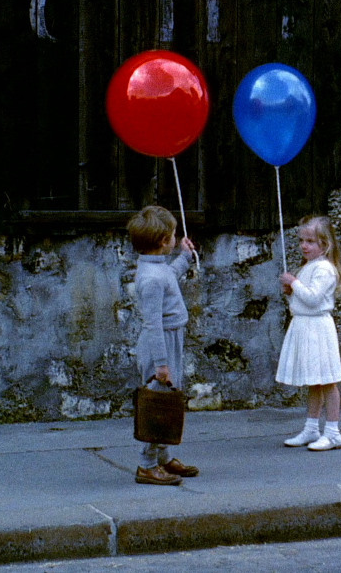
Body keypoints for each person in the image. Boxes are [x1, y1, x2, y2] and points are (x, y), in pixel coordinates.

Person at [127, 205, 200, 485]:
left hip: (171, 339)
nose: (175, 237)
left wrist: (185, 256)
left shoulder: (155, 267)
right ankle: (147, 464)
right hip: (161, 343)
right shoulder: (151, 279)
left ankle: (164, 458)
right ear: (162, 242)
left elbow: (172, 275)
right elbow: (152, 324)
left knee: (168, 401)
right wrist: (161, 364)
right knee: (157, 404)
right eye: (173, 235)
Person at [276, 215, 341, 451]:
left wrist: (294, 283)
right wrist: (291, 290)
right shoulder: (309, 266)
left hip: (318, 328)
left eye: (311, 241)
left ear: (325, 244)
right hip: (305, 326)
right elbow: (302, 299)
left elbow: (314, 298)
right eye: (302, 241)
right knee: (314, 381)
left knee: (327, 380)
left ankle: (333, 431)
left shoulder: (325, 268)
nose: (304, 246)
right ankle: (311, 428)